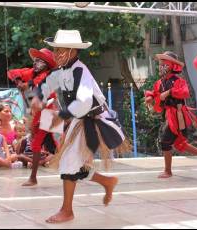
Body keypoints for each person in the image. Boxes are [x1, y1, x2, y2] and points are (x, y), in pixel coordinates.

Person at [32, 30, 127, 223]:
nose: (56, 54)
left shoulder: (80, 71)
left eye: (61, 50)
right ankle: (107, 182)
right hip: (79, 120)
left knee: (68, 162)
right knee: (74, 164)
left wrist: (62, 115)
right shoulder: (62, 71)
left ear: (73, 51)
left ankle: (67, 211)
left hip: (92, 119)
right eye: (56, 50)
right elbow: (46, 84)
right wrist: (37, 98)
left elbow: (84, 102)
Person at [144, 51, 197, 179]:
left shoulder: (178, 81)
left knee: (165, 141)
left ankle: (168, 171)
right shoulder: (160, 82)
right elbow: (154, 93)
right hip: (169, 115)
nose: (161, 66)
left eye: (164, 64)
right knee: (179, 143)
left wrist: (169, 92)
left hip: (177, 116)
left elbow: (184, 92)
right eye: (160, 64)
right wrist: (150, 98)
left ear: (171, 66)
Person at [8, 47, 59, 186]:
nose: (35, 63)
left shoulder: (48, 76)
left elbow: (38, 84)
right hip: (38, 114)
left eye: (39, 61)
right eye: (35, 61)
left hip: (48, 113)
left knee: (37, 144)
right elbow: (12, 72)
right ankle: (77, 164)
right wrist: (18, 80)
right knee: (51, 145)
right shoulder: (32, 73)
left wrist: (27, 84)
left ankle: (33, 178)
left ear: (46, 64)